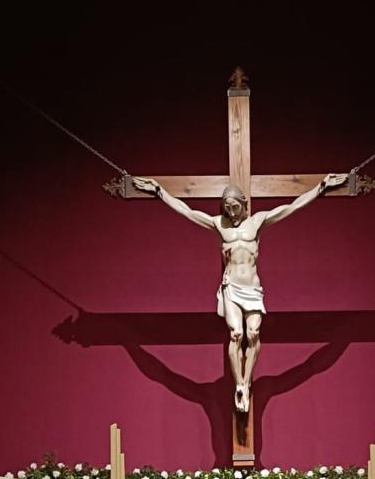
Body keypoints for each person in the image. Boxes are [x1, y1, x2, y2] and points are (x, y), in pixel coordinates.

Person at [132, 172, 348, 413]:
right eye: (227, 209)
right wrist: (160, 191)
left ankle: (247, 380)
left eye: (235, 207)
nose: (231, 213)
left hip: (252, 288)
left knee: (253, 333)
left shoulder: (258, 222)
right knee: (236, 334)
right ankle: (241, 386)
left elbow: (292, 207)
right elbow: (187, 212)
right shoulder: (219, 225)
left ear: (244, 204)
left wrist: (320, 188)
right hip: (231, 288)